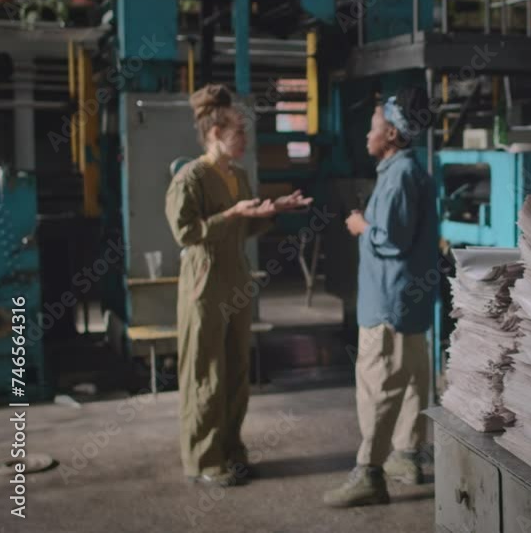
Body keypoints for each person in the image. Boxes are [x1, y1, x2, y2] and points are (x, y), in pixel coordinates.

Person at [165, 84, 312, 487]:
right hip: (204, 282)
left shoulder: (239, 175)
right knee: (205, 372)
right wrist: (232, 213)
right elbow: (185, 232)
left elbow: (242, 226)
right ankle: (203, 459)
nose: (245, 138)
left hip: (235, 278)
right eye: (238, 131)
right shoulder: (190, 178)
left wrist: (272, 210)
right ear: (215, 133)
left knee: (235, 371)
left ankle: (231, 450)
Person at [324, 87, 439, 507]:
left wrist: (359, 225)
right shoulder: (412, 171)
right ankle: (407, 456)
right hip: (410, 301)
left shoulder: (398, 175)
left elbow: (390, 238)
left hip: (387, 302)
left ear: (391, 133)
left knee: (379, 385)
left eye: (373, 128)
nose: (367, 136)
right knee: (410, 380)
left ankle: (368, 472)